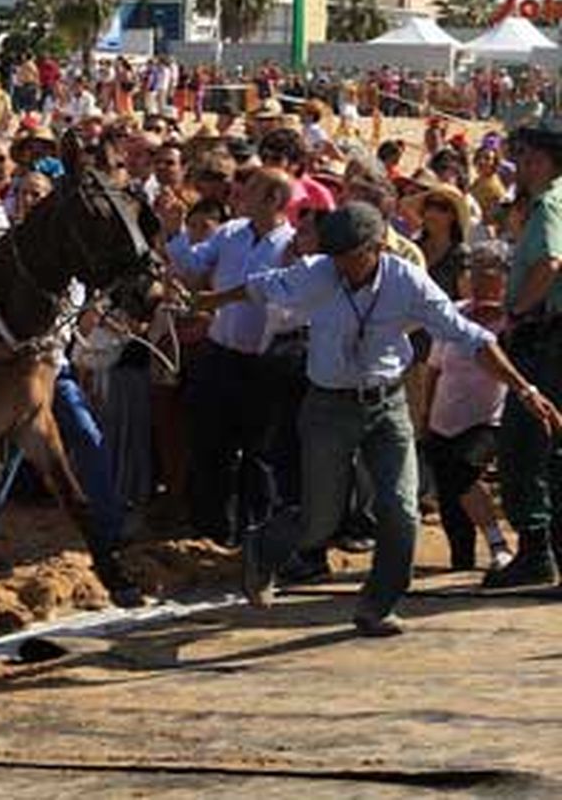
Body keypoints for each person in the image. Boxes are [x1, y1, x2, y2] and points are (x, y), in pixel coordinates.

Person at [194, 202, 561, 636]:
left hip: (387, 407)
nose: (342, 265)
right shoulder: (318, 273)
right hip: (328, 406)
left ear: (376, 247)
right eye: (336, 256)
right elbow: (259, 288)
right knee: (320, 519)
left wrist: (525, 388)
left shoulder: (408, 283)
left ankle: (377, 604)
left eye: (351, 256)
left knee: (400, 509)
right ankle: (264, 549)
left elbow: (472, 338)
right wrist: (210, 300)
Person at [164, 168, 300, 544]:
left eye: (252, 187)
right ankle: (210, 529)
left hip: (264, 364)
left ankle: (255, 535)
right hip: (220, 354)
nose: (240, 192)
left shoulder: (292, 246)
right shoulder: (230, 232)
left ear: (273, 199)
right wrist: (173, 231)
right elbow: (192, 269)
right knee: (210, 444)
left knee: (259, 454)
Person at [485, 121, 562, 588]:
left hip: (546, 335)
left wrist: (516, 310)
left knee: (524, 443)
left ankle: (536, 549)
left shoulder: (550, 205)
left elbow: (550, 262)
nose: (525, 165)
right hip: (549, 334)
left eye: (533, 158)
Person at [424, 248, 515, 573]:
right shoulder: (453, 313)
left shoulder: (512, 317)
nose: (477, 278)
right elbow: (435, 368)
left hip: (487, 417)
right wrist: (426, 414)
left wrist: (499, 322)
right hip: (444, 417)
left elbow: (506, 367)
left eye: (487, 271)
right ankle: (461, 560)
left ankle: (497, 543)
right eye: (473, 271)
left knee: (465, 470)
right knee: (450, 497)